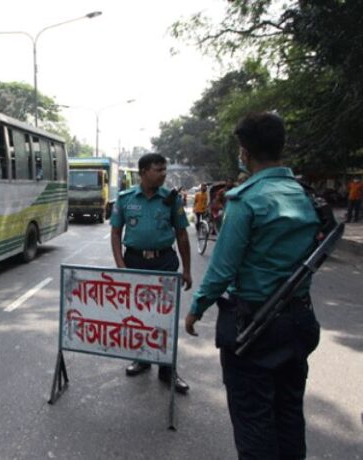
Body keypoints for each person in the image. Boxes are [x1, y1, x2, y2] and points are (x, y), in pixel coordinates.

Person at [185, 112, 321, 459]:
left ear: (244, 152)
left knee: (254, 420)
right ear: (281, 146)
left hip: (255, 326)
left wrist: (197, 308)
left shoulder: (246, 200)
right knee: (289, 413)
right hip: (300, 320)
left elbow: (222, 270)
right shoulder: (306, 196)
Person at [110, 153, 192, 394]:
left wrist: (187, 269)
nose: (164, 174)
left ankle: (167, 369)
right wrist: (121, 265)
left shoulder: (171, 199)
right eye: (159, 170)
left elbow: (182, 235)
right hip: (134, 262)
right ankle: (142, 358)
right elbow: (115, 234)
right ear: (144, 172)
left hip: (164, 262)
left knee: (165, 316)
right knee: (138, 314)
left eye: (165, 169)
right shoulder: (125, 199)